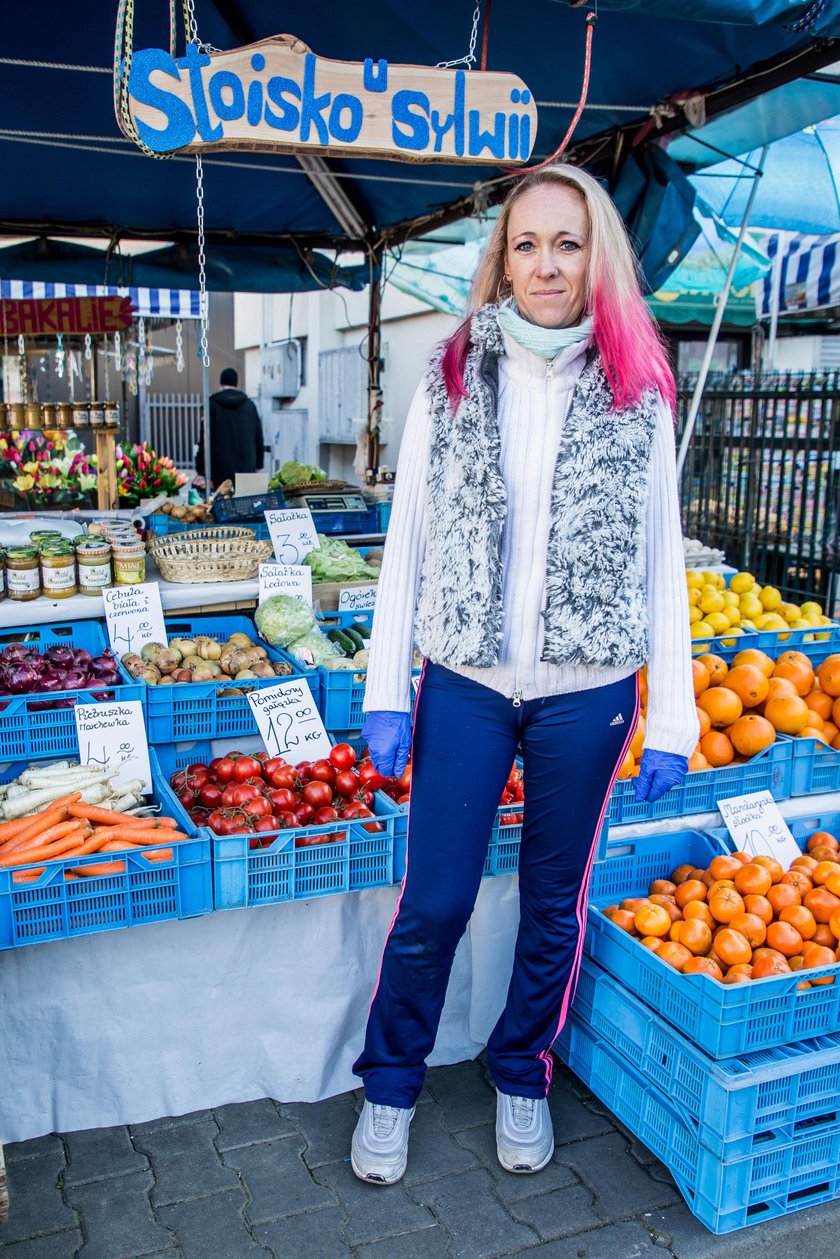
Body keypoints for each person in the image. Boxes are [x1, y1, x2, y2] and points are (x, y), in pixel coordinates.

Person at [350, 163, 698, 1185]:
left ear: (599, 257)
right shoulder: (452, 369)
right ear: (501, 259)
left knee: (555, 900)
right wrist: (384, 690)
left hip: (586, 690)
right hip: (462, 679)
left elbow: (661, 556)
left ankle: (522, 1070)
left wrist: (669, 712)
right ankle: (389, 1082)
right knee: (436, 899)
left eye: (568, 242)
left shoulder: (639, 384)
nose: (546, 264)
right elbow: (406, 534)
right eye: (527, 244)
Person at [195, 367, 265, 489]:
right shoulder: (250, 406)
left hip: (218, 471)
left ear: (220, 384)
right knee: (244, 505)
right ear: (236, 384)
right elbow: (259, 437)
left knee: (219, 504)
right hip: (246, 469)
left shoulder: (212, 405)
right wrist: (258, 464)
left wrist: (201, 468)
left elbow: (205, 438)